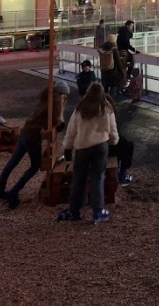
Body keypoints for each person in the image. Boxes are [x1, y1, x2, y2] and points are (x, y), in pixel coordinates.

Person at [0, 81, 69, 209]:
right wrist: (61, 125)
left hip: (25, 132)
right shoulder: (55, 101)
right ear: (62, 93)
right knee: (35, 166)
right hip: (33, 136)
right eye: (65, 95)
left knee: (12, 163)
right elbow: (55, 121)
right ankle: (14, 192)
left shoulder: (46, 96)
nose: (65, 98)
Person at [57, 82, 118, 226]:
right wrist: (114, 142)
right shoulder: (106, 108)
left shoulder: (80, 108)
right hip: (101, 147)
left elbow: (71, 130)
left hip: (82, 147)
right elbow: (113, 129)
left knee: (78, 179)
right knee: (97, 178)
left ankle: (74, 210)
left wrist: (67, 147)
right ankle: (98, 211)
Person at [98, 33, 125, 97]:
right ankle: (110, 102)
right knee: (112, 88)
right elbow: (118, 62)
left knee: (105, 88)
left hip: (104, 71)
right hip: (112, 72)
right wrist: (122, 72)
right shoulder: (113, 49)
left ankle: (104, 102)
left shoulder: (101, 48)